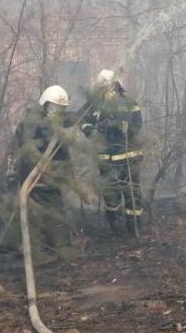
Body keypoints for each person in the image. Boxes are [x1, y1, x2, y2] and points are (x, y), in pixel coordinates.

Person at [11, 84, 75, 258]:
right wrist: (41, 169)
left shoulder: (54, 123)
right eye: (54, 107)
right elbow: (28, 149)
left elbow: (63, 146)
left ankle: (53, 247)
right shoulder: (31, 124)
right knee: (46, 211)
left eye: (61, 109)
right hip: (35, 176)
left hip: (49, 176)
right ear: (45, 104)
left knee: (54, 209)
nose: (57, 112)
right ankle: (54, 248)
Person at [80, 69, 145, 234]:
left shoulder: (129, 102)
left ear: (116, 85)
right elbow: (83, 121)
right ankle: (114, 226)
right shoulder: (94, 105)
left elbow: (137, 124)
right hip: (106, 159)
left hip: (128, 156)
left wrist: (124, 128)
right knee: (110, 194)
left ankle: (134, 227)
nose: (106, 91)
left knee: (131, 192)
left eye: (108, 87)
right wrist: (93, 131)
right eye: (103, 88)